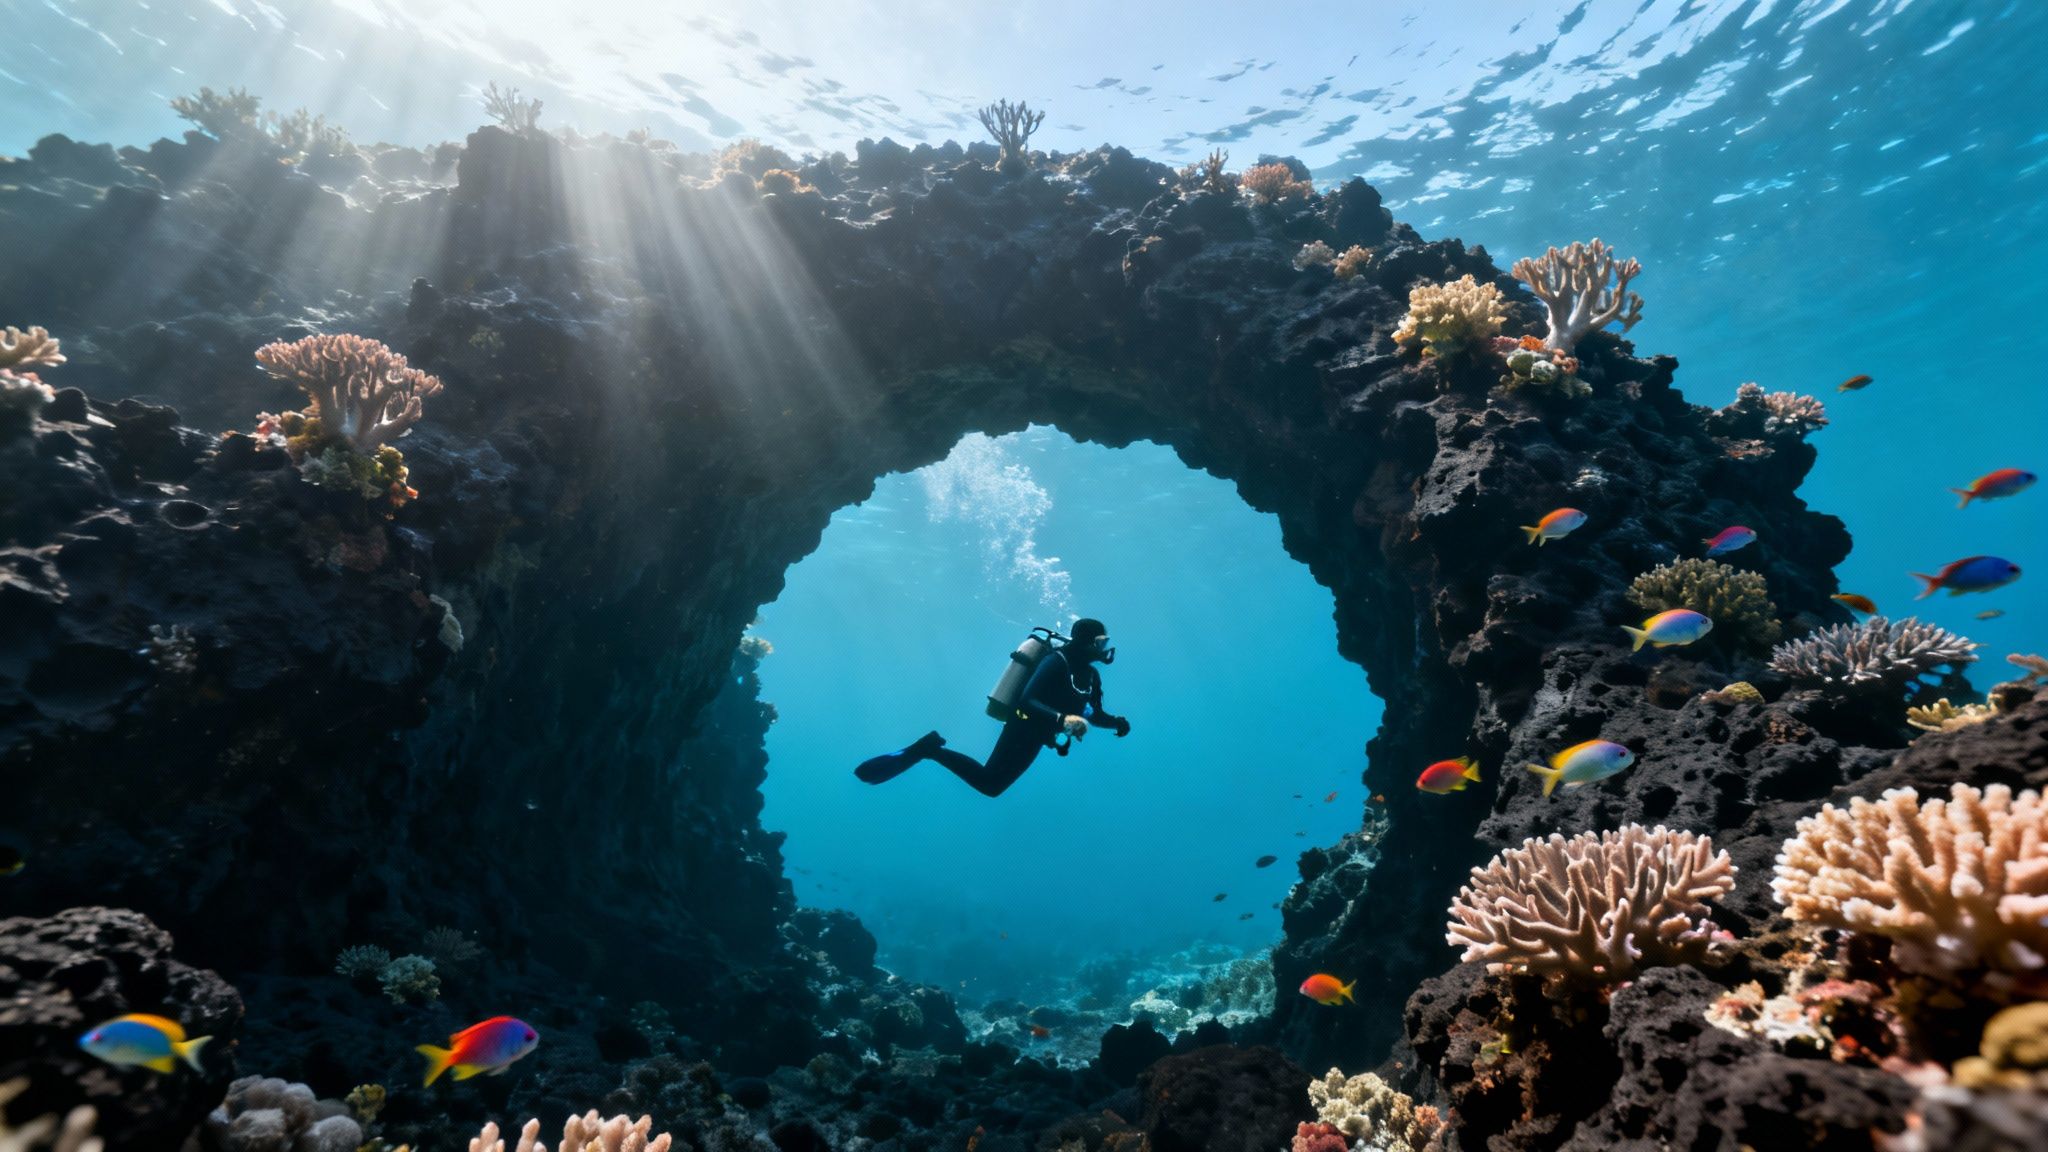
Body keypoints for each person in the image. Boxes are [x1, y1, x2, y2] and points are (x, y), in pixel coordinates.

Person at [854, 618, 1131, 797]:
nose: (1104, 649)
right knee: (990, 784)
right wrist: (1063, 720)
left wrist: (1115, 722)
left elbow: (1093, 714)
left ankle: (930, 750)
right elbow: (1027, 702)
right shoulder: (1056, 662)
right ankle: (929, 750)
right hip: (1023, 725)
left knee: (992, 784)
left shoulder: (1091, 676)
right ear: (1084, 641)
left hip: (1038, 734)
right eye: (1100, 642)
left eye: (1105, 642)